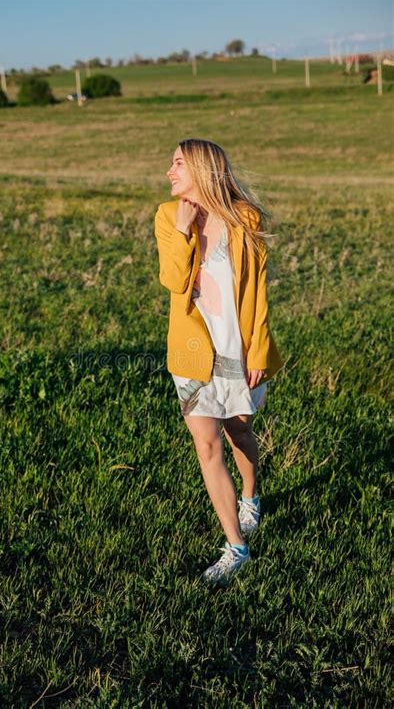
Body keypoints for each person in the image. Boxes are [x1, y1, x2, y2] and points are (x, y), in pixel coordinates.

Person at [154, 138, 283, 587]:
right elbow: (173, 280)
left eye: (177, 164)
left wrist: (260, 349)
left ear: (204, 169)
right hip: (191, 353)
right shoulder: (168, 217)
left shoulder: (244, 218)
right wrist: (185, 231)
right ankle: (236, 547)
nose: (169, 172)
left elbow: (258, 292)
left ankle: (251, 495)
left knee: (240, 429)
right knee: (207, 446)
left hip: (238, 348)